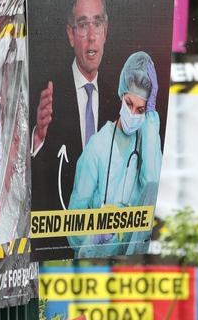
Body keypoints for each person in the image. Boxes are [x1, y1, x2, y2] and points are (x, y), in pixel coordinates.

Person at [67, 51, 164, 257]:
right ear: (122, 94)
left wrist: (151, 118)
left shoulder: (145, 143)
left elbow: (153, 183)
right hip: (95, 262)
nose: (133, 113)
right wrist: (95, 236)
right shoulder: (98, 146)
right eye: (129, 104)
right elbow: (73, 225)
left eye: (141, 109)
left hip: (133, 262)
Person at [32, 0, 120, 212]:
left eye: (97, 24)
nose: (91, 36)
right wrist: (37, 137)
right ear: (71, 35)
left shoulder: (118, 101)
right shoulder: (46, 93)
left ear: (105, 32)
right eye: (82, 25)